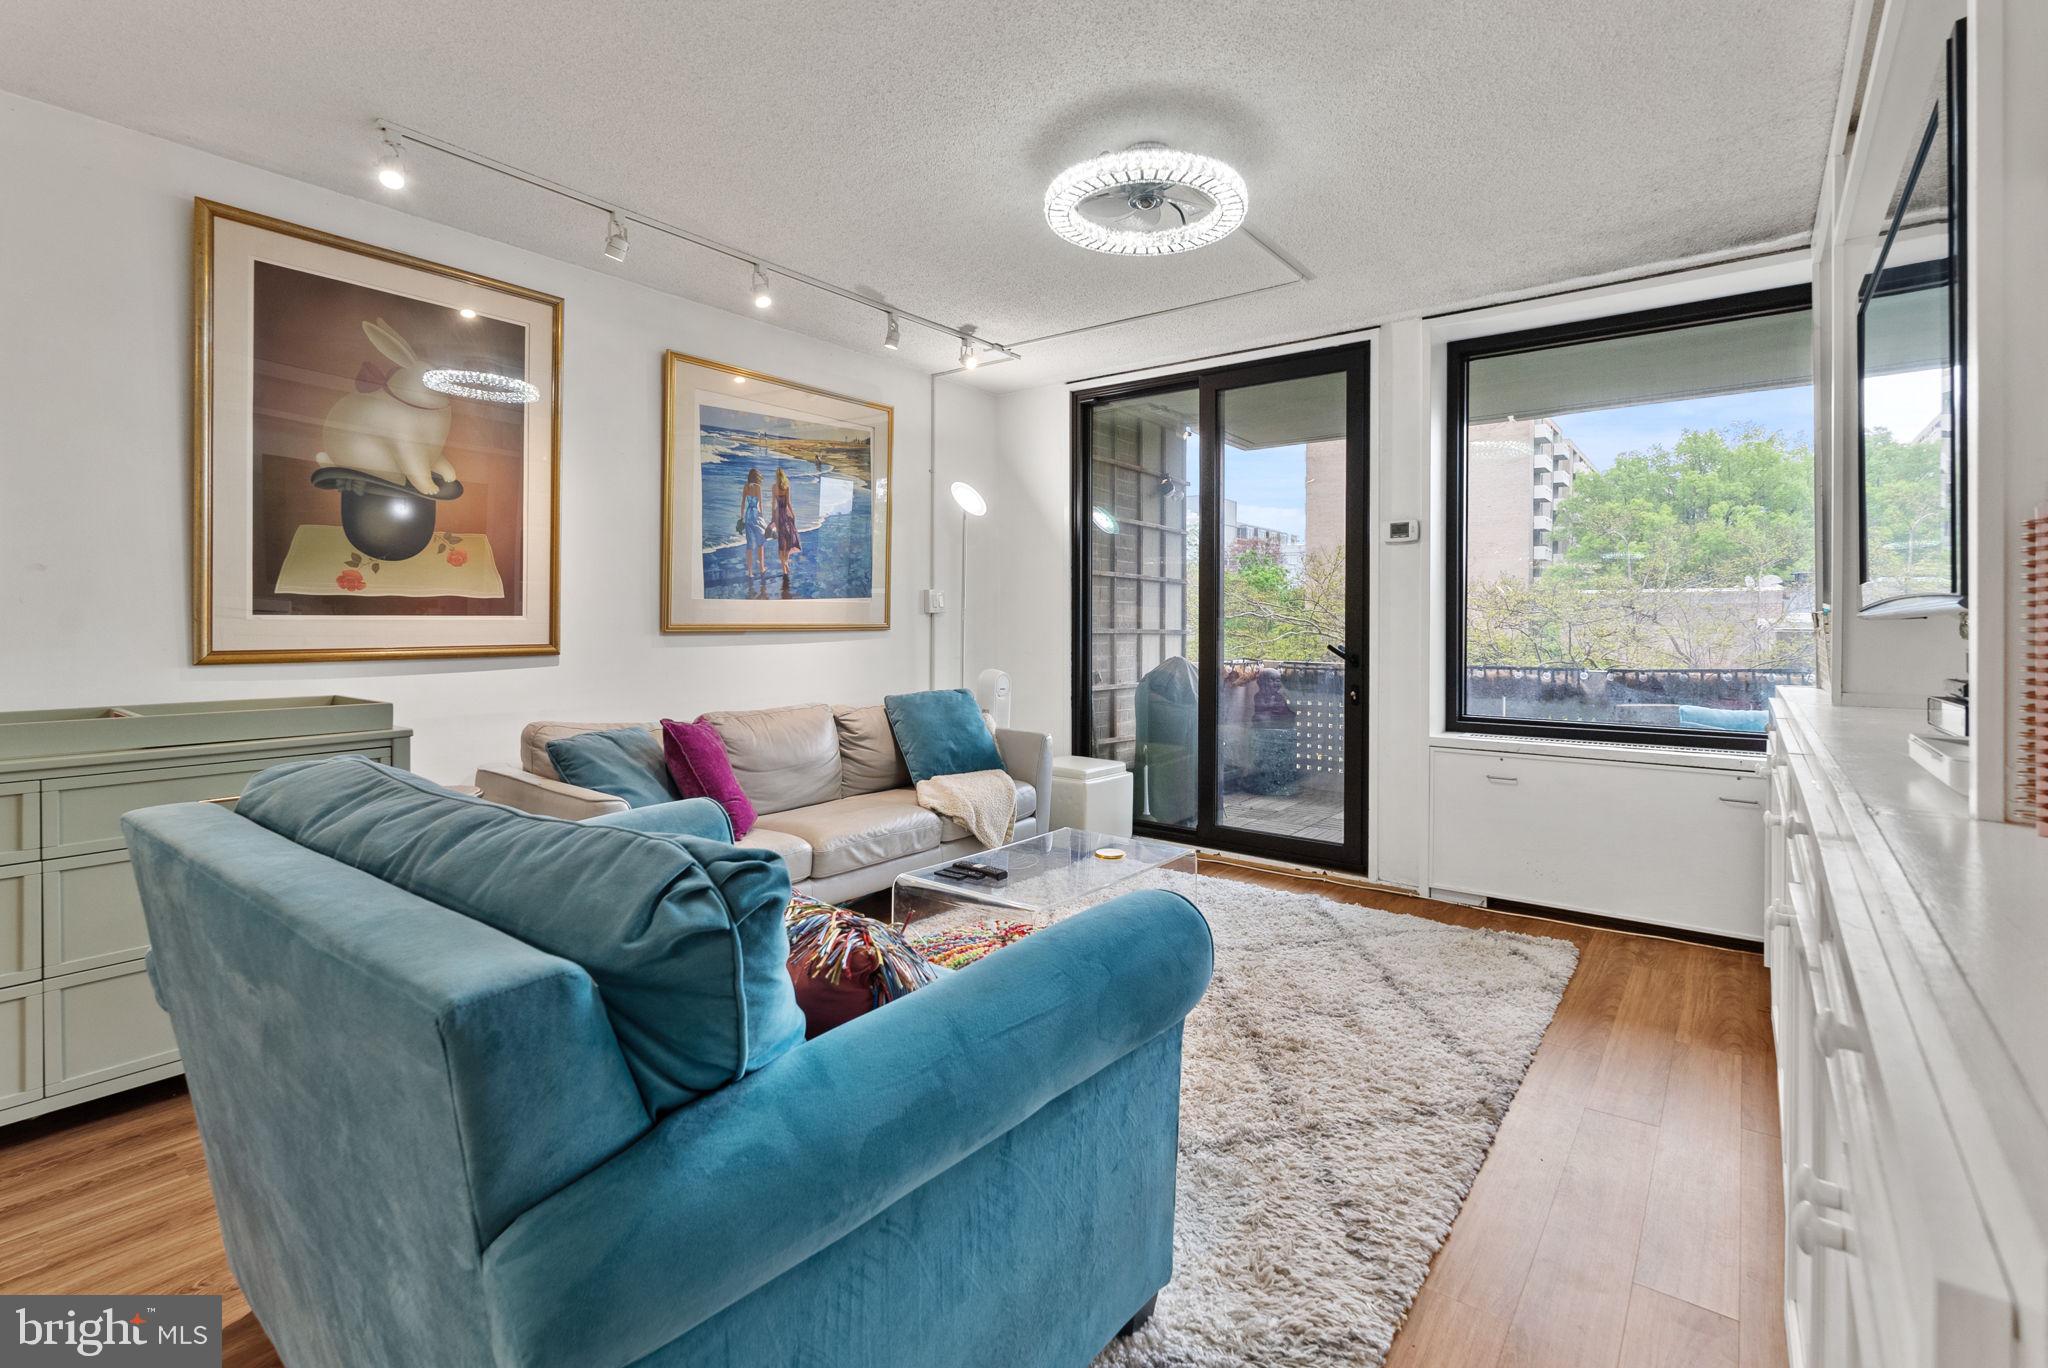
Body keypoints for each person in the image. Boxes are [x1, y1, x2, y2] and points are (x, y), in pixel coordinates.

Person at [772, 468, 803, 577]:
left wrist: (773, 519)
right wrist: (793, 514)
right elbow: (788, 503)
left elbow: (773, 505)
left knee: (782, 542)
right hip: (785, 514)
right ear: (783, 476)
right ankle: (785, 562)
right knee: (789, 539)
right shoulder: (786, 487)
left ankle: (784, 568)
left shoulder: (774, 487)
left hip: (778, 515)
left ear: (776, 476)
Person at [740, 469, 767, 578]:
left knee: (749, 544)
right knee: (760, 542)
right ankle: (761, 568)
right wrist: (762, 517)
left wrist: (742, 517)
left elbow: (742, 503)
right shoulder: (758, 487)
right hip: (756, 514)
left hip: (748, 514)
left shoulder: (746, 486)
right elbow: (760, 504)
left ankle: (750, 572)